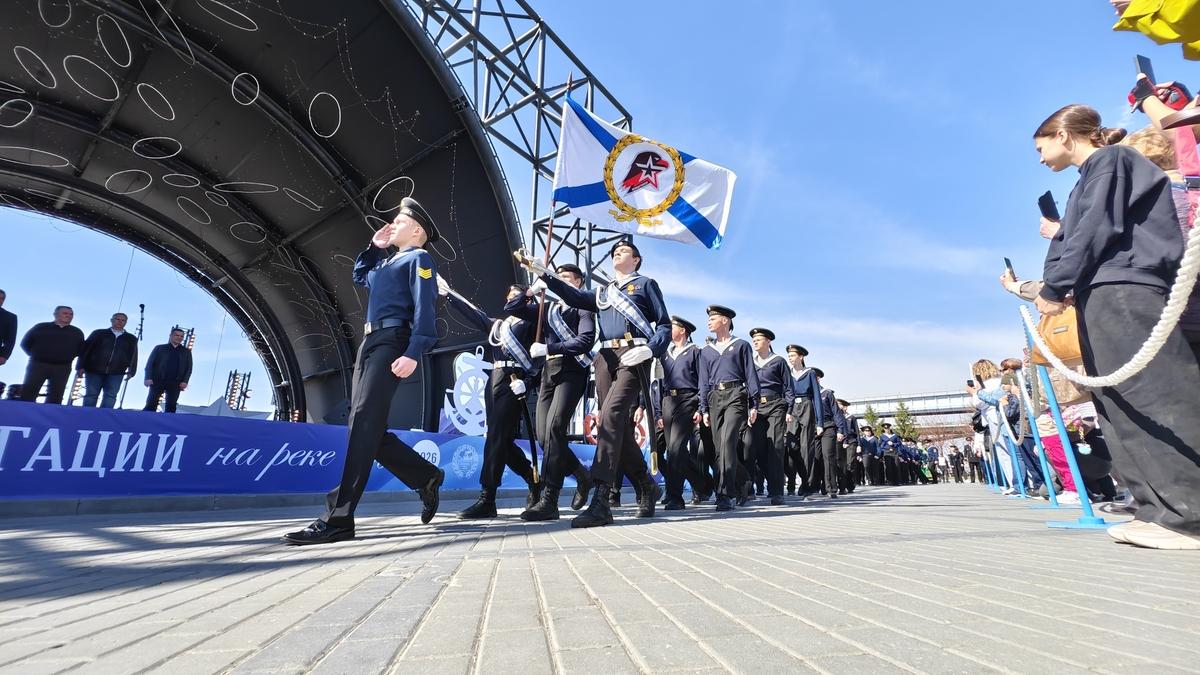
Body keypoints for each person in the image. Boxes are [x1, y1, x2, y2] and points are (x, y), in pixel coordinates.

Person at [1033, 104, 1200, 549]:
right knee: (1116, 401)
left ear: (1065, 135)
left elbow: (1094, 229)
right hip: (1099, 288)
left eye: (1041, 145)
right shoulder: (1088, 176)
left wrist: (1056, 285)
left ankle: (1189, 513)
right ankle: (1154, 506)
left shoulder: (1112, 161)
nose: (1040, 156)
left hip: (1126, 283)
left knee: (1153, 394)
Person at [284, 197, 445, 545]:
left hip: (394, 341)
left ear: (417, 230)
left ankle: (338, 518)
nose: (393, 225)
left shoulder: (420, 259)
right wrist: (374, 247)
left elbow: (425, 309)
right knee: (364, 425)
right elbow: (360, 275)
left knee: (363, 421)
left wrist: (415, 350)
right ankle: (425, 475)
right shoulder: (389, 263)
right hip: (370, 344)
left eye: (400, 221)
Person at [524, 237, 668, 528]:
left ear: (636, 260)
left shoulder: (645, 284)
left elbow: (663, 322)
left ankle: (602, 499)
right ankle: (645, 483)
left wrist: (651, 348)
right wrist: (545, 274)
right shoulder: (603, 293)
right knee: (613, 424)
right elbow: (575, 296)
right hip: (605, 357)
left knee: (612, 415)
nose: (618, 252)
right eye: (615, 251)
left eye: (624, 250)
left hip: (634, 353)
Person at [505, 263, 596, 521]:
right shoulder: (549, 309)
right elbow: (512, 308)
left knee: (555, 428)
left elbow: (586, 340)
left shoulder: (583, 307)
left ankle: (550, 498)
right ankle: (581, 474)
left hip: (572, 372)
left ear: (577, 282)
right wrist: (532, 290)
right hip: (548, 374)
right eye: (557, 277)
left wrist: (550, 347)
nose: (559, 281)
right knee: (545, 436)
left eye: (565, 277)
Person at [443, 282, 542, 519]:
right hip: (495, 378)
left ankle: (488, 498)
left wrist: (528, 382)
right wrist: (449, 295)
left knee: (496, 437)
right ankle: (533, 479)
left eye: (516, 295)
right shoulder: (499, 326)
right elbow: (474, 315)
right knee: (502, 441)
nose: (511, 298)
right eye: (509, 295)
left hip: (515, 377)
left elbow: (539, 358)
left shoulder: (534, 322)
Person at [698, 305, 759, 511]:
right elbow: (703, 381)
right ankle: (744, 482)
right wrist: (704, 408)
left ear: (725, 320)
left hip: (736, 395)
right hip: (715, 397)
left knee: (726, 442)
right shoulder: (706, 351)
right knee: (719, 449)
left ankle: (725, 493)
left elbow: (750, 374)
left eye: (713, 318)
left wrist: (754, 403)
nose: (709, 321)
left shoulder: (741, 345)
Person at [654, 315, 713, 510]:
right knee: (674, 452)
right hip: (668, 402)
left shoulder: (695, 352)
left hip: (688, 400)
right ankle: (704, 484)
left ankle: (675, 497)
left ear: (683, 331)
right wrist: (658, 412)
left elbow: (703, 381)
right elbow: (659, 383)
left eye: (673, 327)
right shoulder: (665, 354)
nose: (669, 330)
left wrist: (701, 407)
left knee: (677, 449)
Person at [746, 328, 789, 505]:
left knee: (776, 447)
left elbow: (788, 388)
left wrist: (790, 410)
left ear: (768, 342)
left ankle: (776, 491)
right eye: (753, 339)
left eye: (759, 339)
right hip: (757, 408)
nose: (755, 342)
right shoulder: (751, 363)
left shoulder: (778, 361)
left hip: (776, 406)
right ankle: (758, 486)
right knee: (758, 449)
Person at [19, 306, 85, 404]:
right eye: (65, 313)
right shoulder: (40, 327)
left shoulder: (77, 332)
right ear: (56, 314)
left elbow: (81, 350)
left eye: (71, 314)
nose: (69, 316)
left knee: (56, 395)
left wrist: (67, 358)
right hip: (38, 365)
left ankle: (49, 417)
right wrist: (37, 355)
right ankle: (23, 415)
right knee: (29, 391)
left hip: (62, 367)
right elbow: (25, 343)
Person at [78, 313, 139, 408]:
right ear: (112, 320)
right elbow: (86, 350)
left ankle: (104, 419)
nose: (120, 322)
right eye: (117, 319)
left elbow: (134, 356)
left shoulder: (131, 338)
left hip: (117, 372)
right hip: (94, 369)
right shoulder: (98, 333)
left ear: (126, 322)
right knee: (91, 395)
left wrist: (132, 370)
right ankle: (86, 416)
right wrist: (80, 366)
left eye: (123, 320)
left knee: (110, 396)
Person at [785, 344, 822, 496]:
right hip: (792, 409)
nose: (790, 359)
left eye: (792, 356)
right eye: (789, 356)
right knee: (791, 447)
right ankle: (799, 478)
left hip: (807, 406)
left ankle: (807, 484)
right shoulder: (788, 373)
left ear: (801, 357)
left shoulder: (810, 373)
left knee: (807, 447)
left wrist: (820, 422)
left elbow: (817, 398)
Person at [811, 369, 847, 498]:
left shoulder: (827, 393)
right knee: (815, 457)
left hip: (828, 427)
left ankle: (831, 488)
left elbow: (836, 413)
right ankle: (816, 486)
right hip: (813, 429)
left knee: (828, 456)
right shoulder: (806, 394)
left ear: (818, 378)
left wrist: (841, 430)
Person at [142, 328, 193, 413]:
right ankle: (146, 422)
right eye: (177, 335)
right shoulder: (160, 348)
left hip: (176, 382)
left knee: (171, 406)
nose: (179, 338)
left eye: (181, 336)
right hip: (157, 380)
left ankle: (167, 425)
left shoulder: (186, 352)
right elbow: (150, 364)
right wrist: (147, 377)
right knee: (151, 403)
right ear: (171, 336)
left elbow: (189, 368)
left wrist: (185, 381)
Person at [0, 289, 16, 369]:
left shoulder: (10, 317)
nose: (0, 300)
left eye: (2, 298)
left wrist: (4, 355)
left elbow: (10, 339)